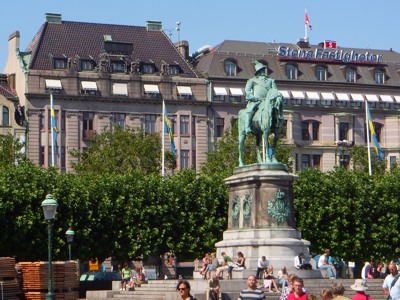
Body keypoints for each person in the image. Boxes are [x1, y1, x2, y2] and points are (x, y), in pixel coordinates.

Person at [244, 60, 283, 135]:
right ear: (258, 72)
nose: (263, 72)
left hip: (268, 102)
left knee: (276, 112)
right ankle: (247, 127)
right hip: (256, 101)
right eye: (261, 70)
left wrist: (275, 96)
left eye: (264, 70)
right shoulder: (252, 81)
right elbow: (247, 91)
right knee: (249, 111)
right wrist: (253, 98)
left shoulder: (271, 81)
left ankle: (277, 126)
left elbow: (275, 90)